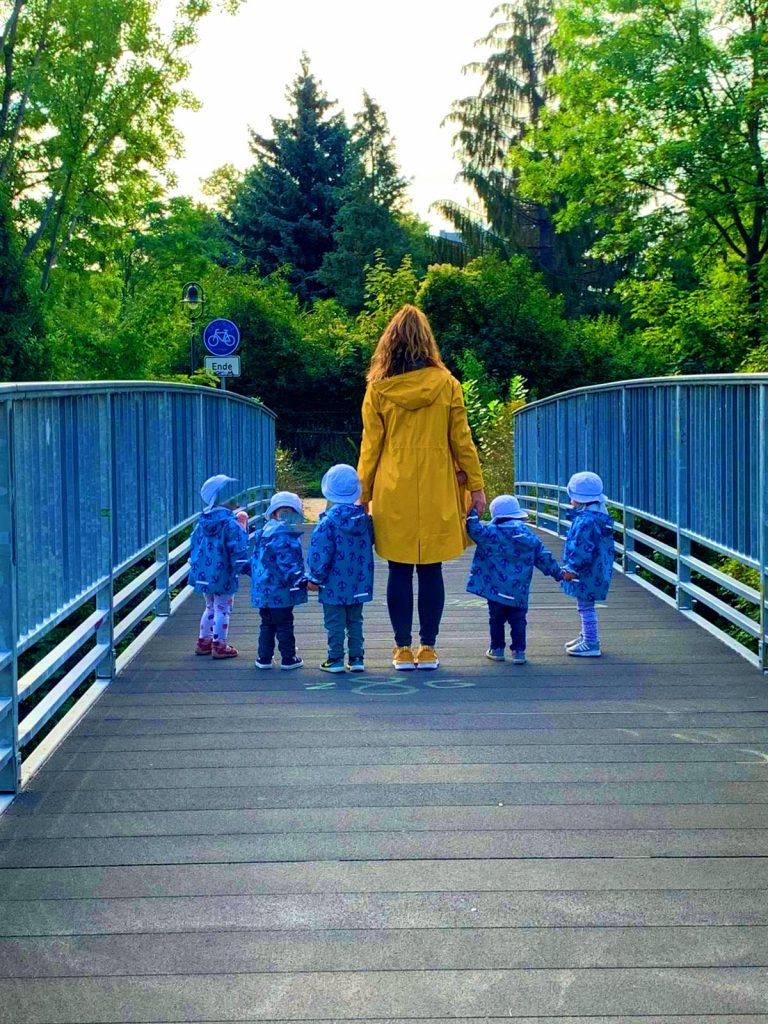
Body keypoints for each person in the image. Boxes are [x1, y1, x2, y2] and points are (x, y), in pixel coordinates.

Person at [357, 304, 485, 671]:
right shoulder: (447, 384)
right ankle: (428, 648)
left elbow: (370, 446)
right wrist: (476, 486)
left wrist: (362, 495)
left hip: (393, 487)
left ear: (390, 344)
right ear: (427, 342)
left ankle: (401, 649)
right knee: (431, 569)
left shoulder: (378, 389)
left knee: (398, 569)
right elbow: (462, 440)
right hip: (436, 485)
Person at [466, 495, 574, 665]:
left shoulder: (489, 533)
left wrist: (472, 510)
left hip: (495, 589)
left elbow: (474, 529)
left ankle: (497, 649)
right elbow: (543, 557)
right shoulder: (529, 536)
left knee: (496, 619)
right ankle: (519, 651)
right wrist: (559, 573)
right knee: (518, 620)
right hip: (519, 590)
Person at [306, 464, 374, 673]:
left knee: (335, 622)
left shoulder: (327, 523)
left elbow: (320, 553)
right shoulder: (364, 520)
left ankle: (335, 659)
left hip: (333, 584)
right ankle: (357, 658)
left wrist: (314, 578)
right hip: (359, 581)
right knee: (355, 620)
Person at [189, 474, 249, 659]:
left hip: (204, 573)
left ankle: (203, 642)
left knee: (209, 606)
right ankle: (220, 645)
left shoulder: (203, 522)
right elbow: (238, 549)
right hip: (224, 573)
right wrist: (246, 568)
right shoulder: (230, 524)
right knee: (223, 608)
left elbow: (194, 544)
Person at [250, 490, 307, 671]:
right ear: (274, 514)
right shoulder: (284, 535)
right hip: (280, 590)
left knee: (267, 624)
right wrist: (299, 579)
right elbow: (287, 563)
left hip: (262, 589)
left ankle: (264, 658)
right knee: (284, 623)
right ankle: (288, 658)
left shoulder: (263, 532)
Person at [561, 471, 615, 657]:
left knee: (585, 606)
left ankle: (591, 642)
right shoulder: (599, 516)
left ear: (579, 499)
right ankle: (586, 635)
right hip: (597, 568)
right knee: (585, 605)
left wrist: (572, 568)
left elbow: (581, 549)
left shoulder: (585, 521)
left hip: (586, 571)